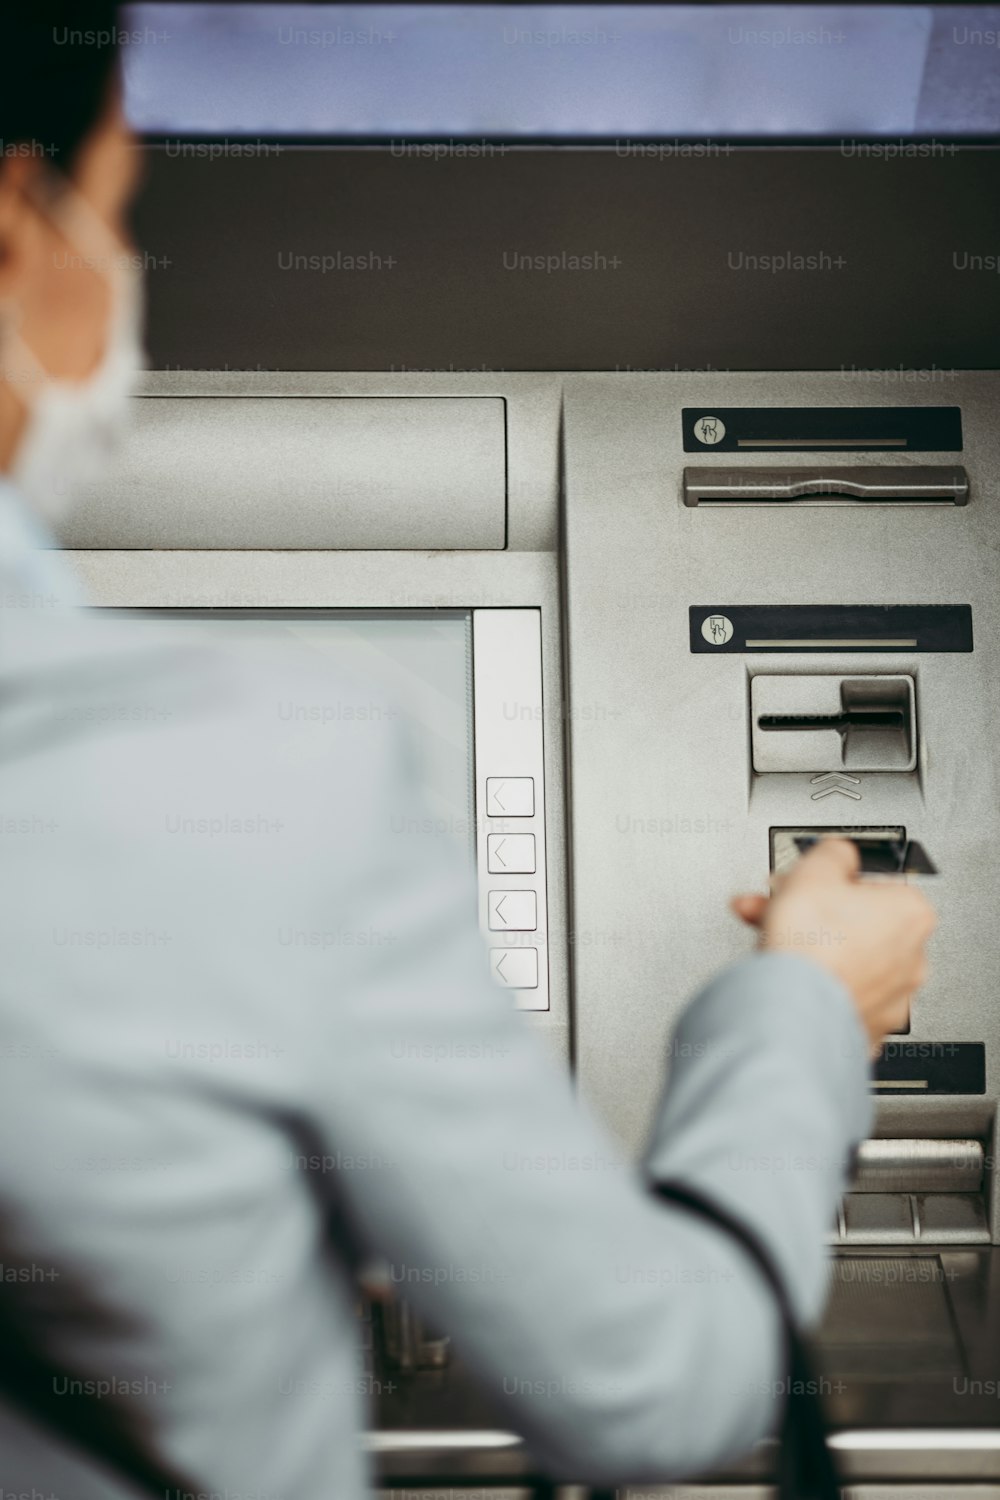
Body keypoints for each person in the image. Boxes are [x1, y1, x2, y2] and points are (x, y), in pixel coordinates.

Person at [0, 10, 936, 1499]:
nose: (117, 271)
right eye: (111, 204)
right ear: (15, 225)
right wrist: (809, 1010)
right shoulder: (240, 772)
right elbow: (653, 1388)